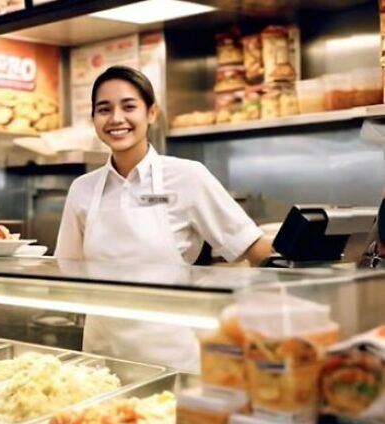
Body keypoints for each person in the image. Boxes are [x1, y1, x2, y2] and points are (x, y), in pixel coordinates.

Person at [54, 66, 273, 370]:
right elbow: (66, 272)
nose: (116, 118)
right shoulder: (82, 189)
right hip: (101, 360)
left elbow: (252, 247)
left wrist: (309, 271)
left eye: (129, 106)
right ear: (94, 119)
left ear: (152, 113)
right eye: (104, 109)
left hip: (171, 357)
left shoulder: (187, 176)